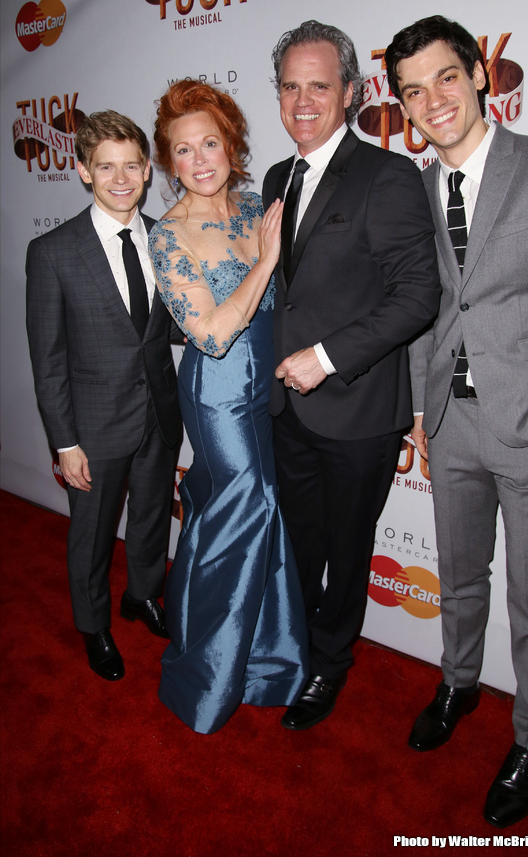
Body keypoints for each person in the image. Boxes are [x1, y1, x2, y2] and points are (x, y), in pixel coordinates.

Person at [385, 15, 528, 827]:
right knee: (461, 574)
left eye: (445, 77)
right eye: (412, 90)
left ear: (479, 74)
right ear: (401, 106)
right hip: (450, 420)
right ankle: (458, 683)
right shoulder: (415, 187)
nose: (432, 100)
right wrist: (417, 408)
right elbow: (425, 306)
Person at [263, 21, 440, 731]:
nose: (302, 101)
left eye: (318, 85)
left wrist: (327, 357)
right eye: (289, 87)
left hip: (358, 411)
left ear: (350, 93)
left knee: (345, 549)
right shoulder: (279, 177)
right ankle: (293, 645)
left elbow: (416, 296)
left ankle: (329, 665)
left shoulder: (388, 175)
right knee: (299, 543)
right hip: (286, 412)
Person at [149, 79, 309, 734]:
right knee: (247, 507)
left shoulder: (255, 207)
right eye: (183, 151)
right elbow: (211, 336)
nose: (200, 159)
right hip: (216, 394)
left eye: (209, 142)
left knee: (239, 515)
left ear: (231, 144)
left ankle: (266, 661)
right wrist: (266, 264)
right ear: (170, 162)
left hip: (267, 382)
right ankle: (208, 674)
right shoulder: (168, 235)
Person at [26, 111, 182, 682]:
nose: (121, 179)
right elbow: (49, 361)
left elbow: (166, 326)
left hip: (159, 415)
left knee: (149, 518)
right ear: (84, 172)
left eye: (131, 166)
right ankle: (92, 625)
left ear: (146, 170)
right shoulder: (53, 252)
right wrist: (65, 442)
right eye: (105, 167)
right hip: (92, 426)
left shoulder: (167, 237)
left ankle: (141, 595)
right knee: (91, 534)